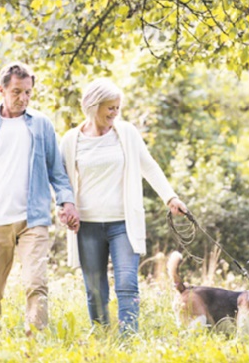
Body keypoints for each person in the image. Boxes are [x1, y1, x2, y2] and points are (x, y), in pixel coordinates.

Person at [0, 61, 80, 335]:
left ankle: (35, 342)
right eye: (16, 92)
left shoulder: (42, 125)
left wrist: (67, 202)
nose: (23, 98)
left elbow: (56, 172)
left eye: (28, 92)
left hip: (32, 219)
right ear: (1, 90)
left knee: (36, 283)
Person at [60, 78, 188, 334]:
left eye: (117, 108)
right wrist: (64, 208)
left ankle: (128, 339)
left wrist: (170, 197)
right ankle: (102, 336)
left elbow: (148, 165)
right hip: (87, 226)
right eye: (110, 108)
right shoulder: (71, 140)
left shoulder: (126, 133)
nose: (115, 113)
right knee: (95, 289)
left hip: (123, 223)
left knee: (128, 284)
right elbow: (61, 180)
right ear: (93, 106)